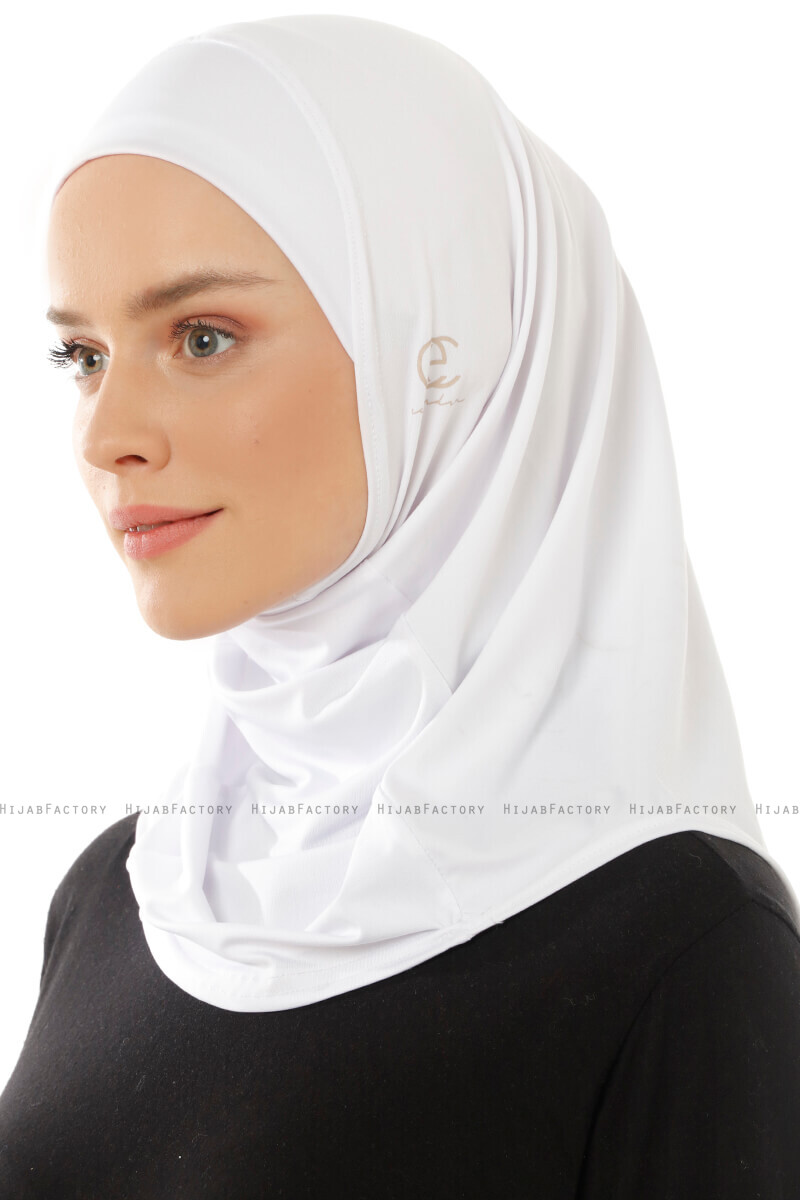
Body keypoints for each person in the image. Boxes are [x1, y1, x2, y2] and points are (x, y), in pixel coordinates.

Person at [1, 13, 798, 1197]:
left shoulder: (681, 953)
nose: (105, 434)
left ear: (443, 346)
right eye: (82, 357)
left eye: (202, 336)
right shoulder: (122, 893)